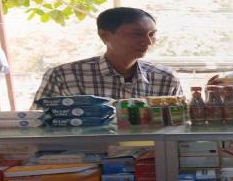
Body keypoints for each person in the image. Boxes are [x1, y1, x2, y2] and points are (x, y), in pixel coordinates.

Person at [31, 7, 182, 108]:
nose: (148, 42)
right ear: (104, 35)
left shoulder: (165, 78)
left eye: (152, 34)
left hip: (151, 148)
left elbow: (179, 126)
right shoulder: (64, 76)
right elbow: (38, 123)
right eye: (137, 34)